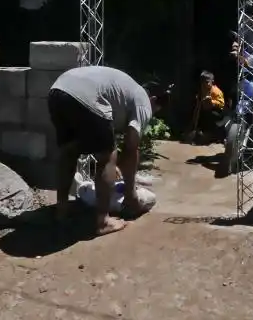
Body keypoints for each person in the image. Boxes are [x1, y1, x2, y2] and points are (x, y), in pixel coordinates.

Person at [47, 65, 171, 237]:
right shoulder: (143, 99)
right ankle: (103, 221)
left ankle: (62, 210)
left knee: (69, 151)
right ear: (154, 100)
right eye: (155, 111)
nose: (151, 116)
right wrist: (131, 195)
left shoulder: (126, 89)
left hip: (57, 91)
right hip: (86, 97)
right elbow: (131, 145)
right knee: (107, 156)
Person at [187, 71, 225, 142]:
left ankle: (212, 134)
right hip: (205, 110)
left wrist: (212, 102)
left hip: (217, 111)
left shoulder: (216, 91)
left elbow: (222, 104)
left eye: (207, 82)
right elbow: (198, 105)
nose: (205, 84)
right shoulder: (201, 90)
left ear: (212, 81)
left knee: (210, 115)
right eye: (203, 82)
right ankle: (197, 130)